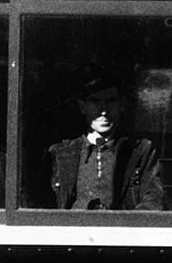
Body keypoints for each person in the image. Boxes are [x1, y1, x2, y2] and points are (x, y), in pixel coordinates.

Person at [48, 72, 163, 210]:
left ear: (122, 105)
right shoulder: (60, 153)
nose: (103, 110)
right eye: (95, 102)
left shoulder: (141, 152)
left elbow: (153, 200)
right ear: (82, 107)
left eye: (111, 101)